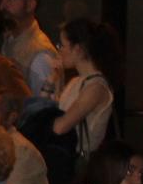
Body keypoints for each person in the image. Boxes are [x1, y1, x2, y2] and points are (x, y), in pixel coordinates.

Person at [49, 18, 121, 157]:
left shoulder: (96, 87)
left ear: (78, 49)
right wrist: (56, 80)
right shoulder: (77, 81)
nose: (59, 51)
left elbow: (60, 126)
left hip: (79, 159)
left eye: (62, 45)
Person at [0, 0, 58, 101]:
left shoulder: (41, 53)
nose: (3, 6)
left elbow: (43, 105)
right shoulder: (8, 40)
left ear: (30, 5)